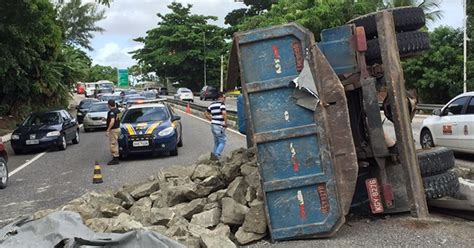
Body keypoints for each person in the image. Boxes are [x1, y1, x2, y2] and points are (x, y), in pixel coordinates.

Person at [204, 92, 227, 161]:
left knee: (216, 141)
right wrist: (225, 123)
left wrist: (211, 119)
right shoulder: (221, 104)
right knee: (223, 141)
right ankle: (217, 155)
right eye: (224, 97)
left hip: (213, 125)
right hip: (220, 125)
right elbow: (224, 114)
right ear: (221, 97)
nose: (225, 99)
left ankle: (213, 156)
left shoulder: (212, 104)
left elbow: (205, 113)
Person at [105, 99, 121, 165]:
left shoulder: (111, 112)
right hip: (118, 128)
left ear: (109, 105)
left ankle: (115, 159)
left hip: (113, 130)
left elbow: (112, 121)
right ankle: (117, 156)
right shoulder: (118, 111)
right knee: (117, 143)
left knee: (113, 144)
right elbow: (119, 119)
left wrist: (108, 129)